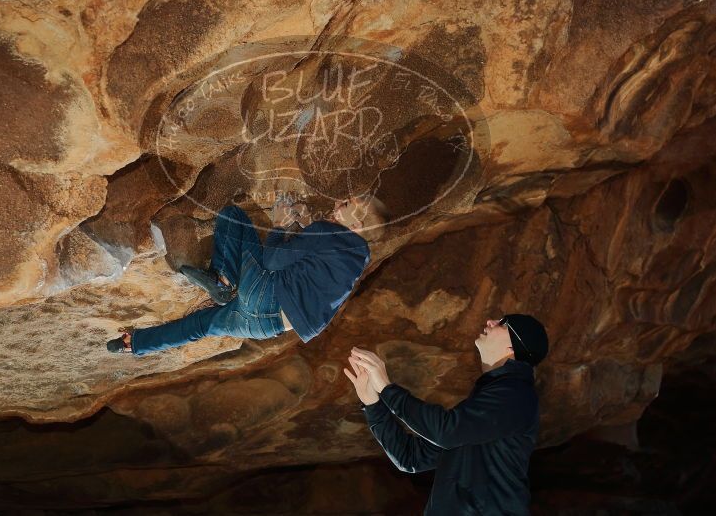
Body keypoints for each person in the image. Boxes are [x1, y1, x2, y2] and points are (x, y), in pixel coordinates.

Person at [107, 193, 389, 355]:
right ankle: (134, 344)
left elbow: (274, 260)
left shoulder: (332, 234)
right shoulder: (354, 264)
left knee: (233, 215)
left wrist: (279, 226)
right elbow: (310, 263)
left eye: (347, 205)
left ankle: (224, 280)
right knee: (202, 325)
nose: (339, 202)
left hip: (268, 295)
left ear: (358, 223)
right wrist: (305, 225)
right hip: (269, 327)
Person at [345, 314, 550, 515]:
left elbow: (446, 431)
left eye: (503, 324)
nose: (491, 321)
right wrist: (372, 403)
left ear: (512, 348)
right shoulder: (486, 405)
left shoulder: (515, 396)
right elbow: (410, 457)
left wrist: (386, 388)